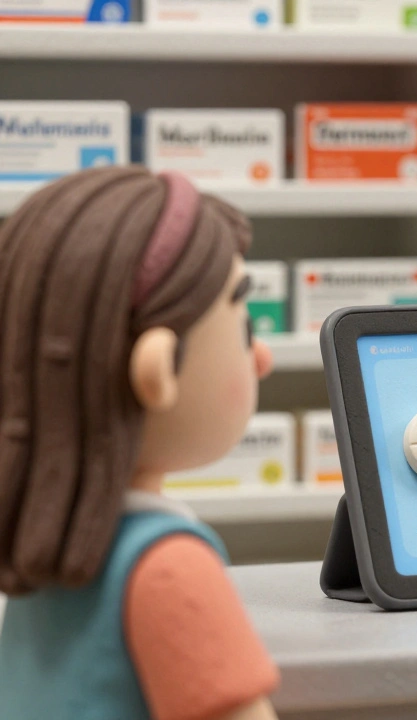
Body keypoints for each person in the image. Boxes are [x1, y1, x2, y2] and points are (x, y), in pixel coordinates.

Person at [0, 166, 280, 720]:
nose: (262, 359)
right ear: (158, 371)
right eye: (244, 331)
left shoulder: (39, 558)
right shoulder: (169, 568)